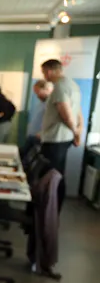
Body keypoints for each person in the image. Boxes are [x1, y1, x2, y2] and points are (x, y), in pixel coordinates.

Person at [40, 57, 82, 206]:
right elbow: (78, 113)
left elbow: (66, 113)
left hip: (55, 138)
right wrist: (77, 132)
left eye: (44, 72)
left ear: (50, 71)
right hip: (64, 138)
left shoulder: (60, 87)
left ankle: (49, 208)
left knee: (51, 175)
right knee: (57, 174)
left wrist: (76, 132)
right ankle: (53, 207)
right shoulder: (73, 85)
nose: (44, 76)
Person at [26, 79, 53, 143]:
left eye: (38, 92)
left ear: (46, 89)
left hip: (41, 137)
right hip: (32, 135)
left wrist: (41, 133)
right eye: (36, 93)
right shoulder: (41, 103)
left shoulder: (51, 105)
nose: (37, 95)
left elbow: (52, 122)